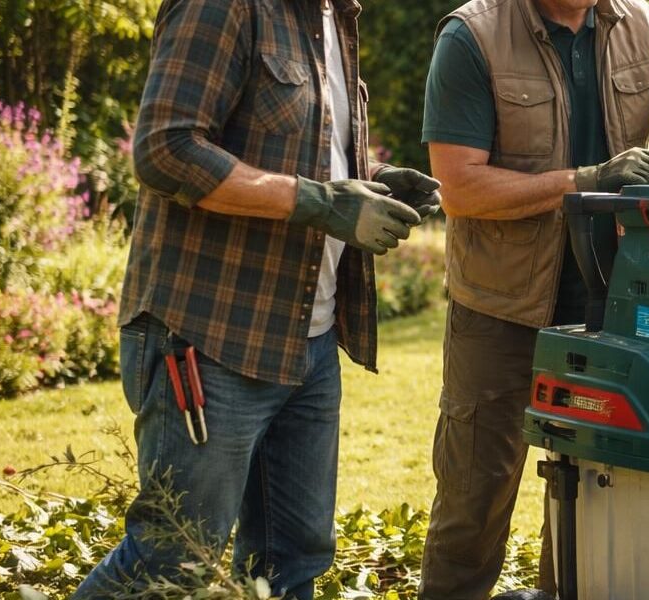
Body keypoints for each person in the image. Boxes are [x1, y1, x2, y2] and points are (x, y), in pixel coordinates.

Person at [74, 0, 441, 597]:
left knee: (291, 563)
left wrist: (370, 183)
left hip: (308, 345)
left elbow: (300, 149)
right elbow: (166, 149)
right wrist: (322, 203)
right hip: (209, 337)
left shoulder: (335, 17)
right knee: (169, 562)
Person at [418, 0, 649, 596]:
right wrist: (584, 181)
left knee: (588, 500)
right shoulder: (473, 36)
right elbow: (457, 187)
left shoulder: (643, 24)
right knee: (473, 504)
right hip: (500, 309)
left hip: (611, 308)